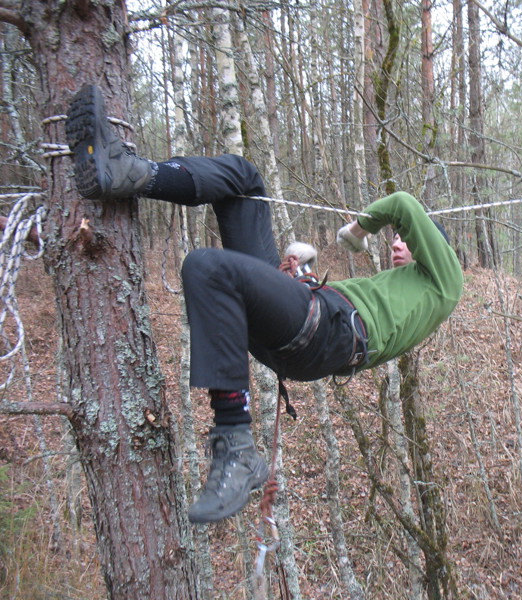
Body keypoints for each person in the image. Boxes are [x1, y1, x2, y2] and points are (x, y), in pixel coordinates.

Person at [65, 84, 464, 523]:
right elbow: (331, 307)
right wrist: (299, 277)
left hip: (326, 331)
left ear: (434, 253)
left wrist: (357, 232)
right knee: (243, 179)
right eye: (398, 241)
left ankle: (235, 442)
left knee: (206, 268)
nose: (400, 244)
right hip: (312, 323)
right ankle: (131, 174)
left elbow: (403, 204)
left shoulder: (446, 282)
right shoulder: (400, 291)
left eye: (410, 242)